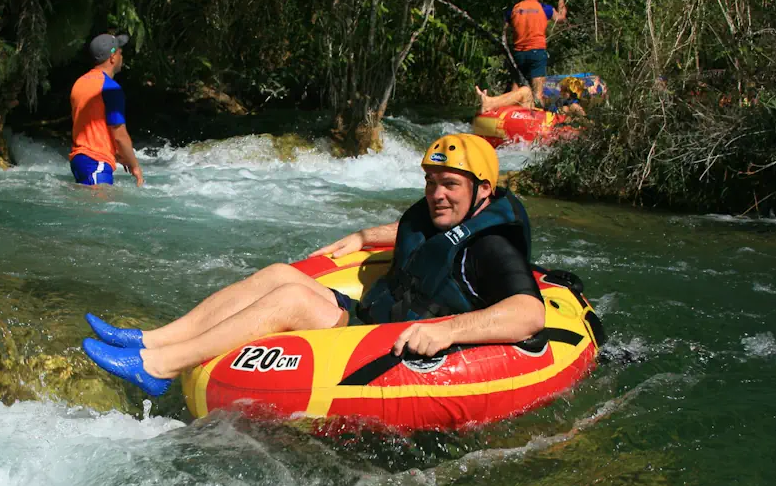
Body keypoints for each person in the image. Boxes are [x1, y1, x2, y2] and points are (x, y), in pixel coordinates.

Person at [81, 134, 546, 396]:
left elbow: (530, 313)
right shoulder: (444, 211)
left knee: (290, 300)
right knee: (281, 274)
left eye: (450, 184)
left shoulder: (492, 248)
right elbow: (424, 232)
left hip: (393, 344)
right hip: (376, 319)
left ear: (483, 190)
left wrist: (447, 331)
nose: (436, 194)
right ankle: (152, 338)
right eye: (430, 183)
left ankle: (160, 367)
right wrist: (367, 235)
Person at [68, 33, 145, 187]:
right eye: (120, 53)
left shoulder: (80, 83)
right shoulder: (110, 88)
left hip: (79, 159)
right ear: (112, 58)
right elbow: (119, 135)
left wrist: (116, 153)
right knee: (99, 209)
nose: (121, 57)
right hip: (96, 161)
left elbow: (92, 127)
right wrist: (135, 165)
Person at [506, 0, 567, 101]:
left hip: (518, 53)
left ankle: (509, 111)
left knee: (516, 88)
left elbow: (505, 29)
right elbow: (561, 17)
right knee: (538, 93)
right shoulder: (544, 9)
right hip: (536, 52)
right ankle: (536, 114)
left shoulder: (515, 8)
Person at [475, 75, 586, 117]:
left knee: (525, 91)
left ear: (569, 93)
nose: (560, 91)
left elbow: (587, 123)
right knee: (525, 91)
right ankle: (490, 102)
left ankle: (489, 103)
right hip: (536, 118)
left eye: (563, 89)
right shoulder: (557, 100)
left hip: (538, 125)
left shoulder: (574, 107)